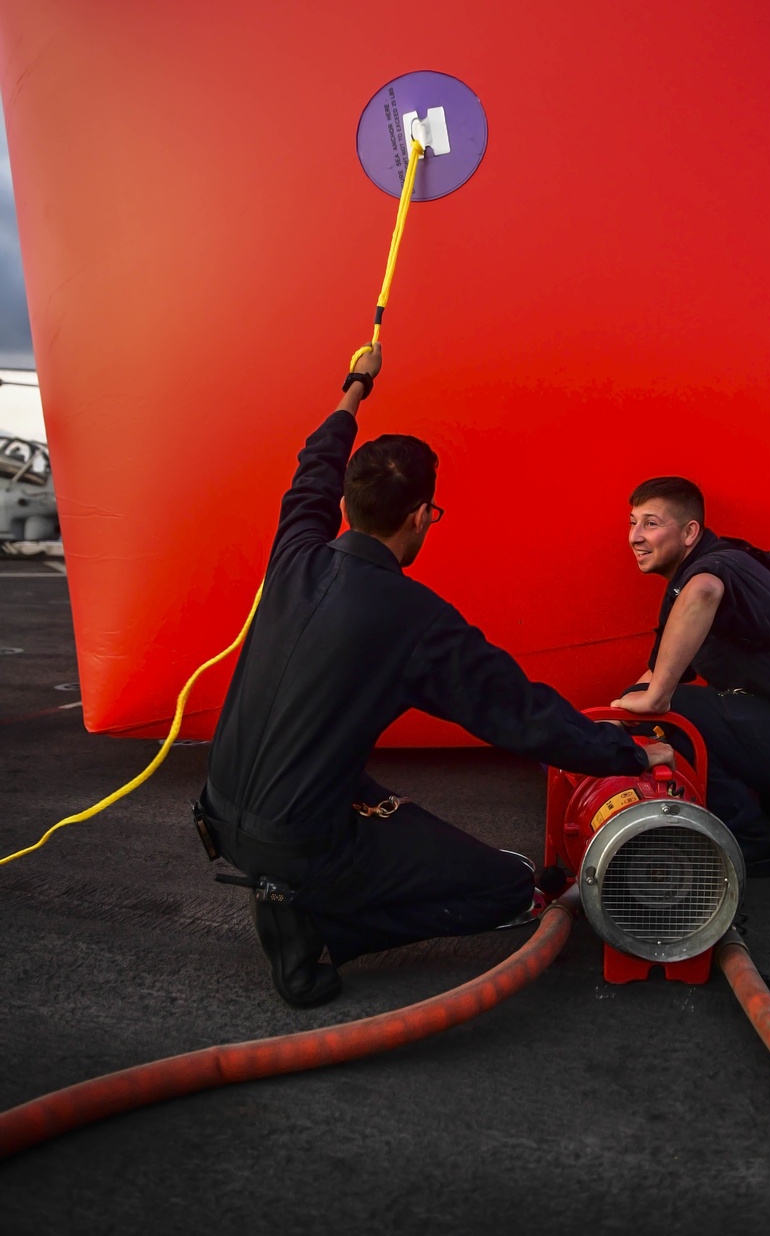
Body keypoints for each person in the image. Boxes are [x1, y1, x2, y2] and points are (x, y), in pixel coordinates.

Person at [197, 343, 665, 1006]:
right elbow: (520, 713)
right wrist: (632, 752)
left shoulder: (295, 552)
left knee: (367, 795)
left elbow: (313, 469)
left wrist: (354, 389)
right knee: (508, 887)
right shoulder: (413, 619)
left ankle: (303, 888)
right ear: (420, 516)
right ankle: (314, 921)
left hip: (220, 811)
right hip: (298, 843)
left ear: (348, 503)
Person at [612, 476, 770, 876]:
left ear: (690, 532)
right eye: (632, 522)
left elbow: (704, 591)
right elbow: (658, 672)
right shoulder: (720, 563)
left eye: (651, 523)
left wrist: (652, 703)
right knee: (646, 702)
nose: (635, 537)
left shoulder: (709, 571)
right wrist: (612, 715)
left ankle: (752, 841)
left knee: (672, 713)